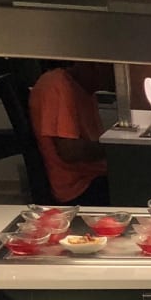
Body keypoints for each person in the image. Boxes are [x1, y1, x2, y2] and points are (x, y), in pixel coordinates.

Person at [29, 61, 114, 205]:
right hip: (78, 187)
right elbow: (70, 152)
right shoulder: (57, 85)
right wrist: (116, 149)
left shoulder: (84, 89)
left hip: (93, 175)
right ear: (95, 64)